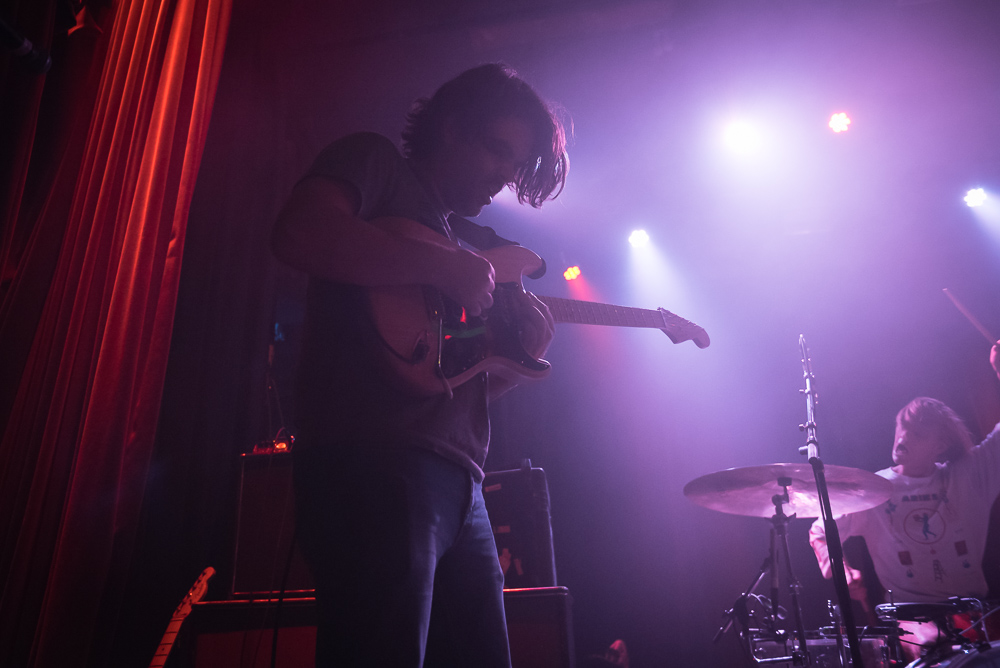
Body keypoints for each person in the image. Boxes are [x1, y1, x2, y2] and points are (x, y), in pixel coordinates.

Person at [270, 64, 569, 667]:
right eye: (497, 151)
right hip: (371, 464)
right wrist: (436, 266)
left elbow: (450, 386)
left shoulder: (473, 245)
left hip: (463, 484)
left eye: (516, 165)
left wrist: (518, 359)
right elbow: (299, 232)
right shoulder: (375, 163)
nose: (506, 178)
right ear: (451, 126)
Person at [809, 341, 1000, 659]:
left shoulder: (970, 475)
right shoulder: (873, 489)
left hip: (975, 611)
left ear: (940, 445)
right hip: (910, 617)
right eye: (901, 428)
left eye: (916, 433)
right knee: (933, 647)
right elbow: (819, 530)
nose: (903, 438)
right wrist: (838, 567)